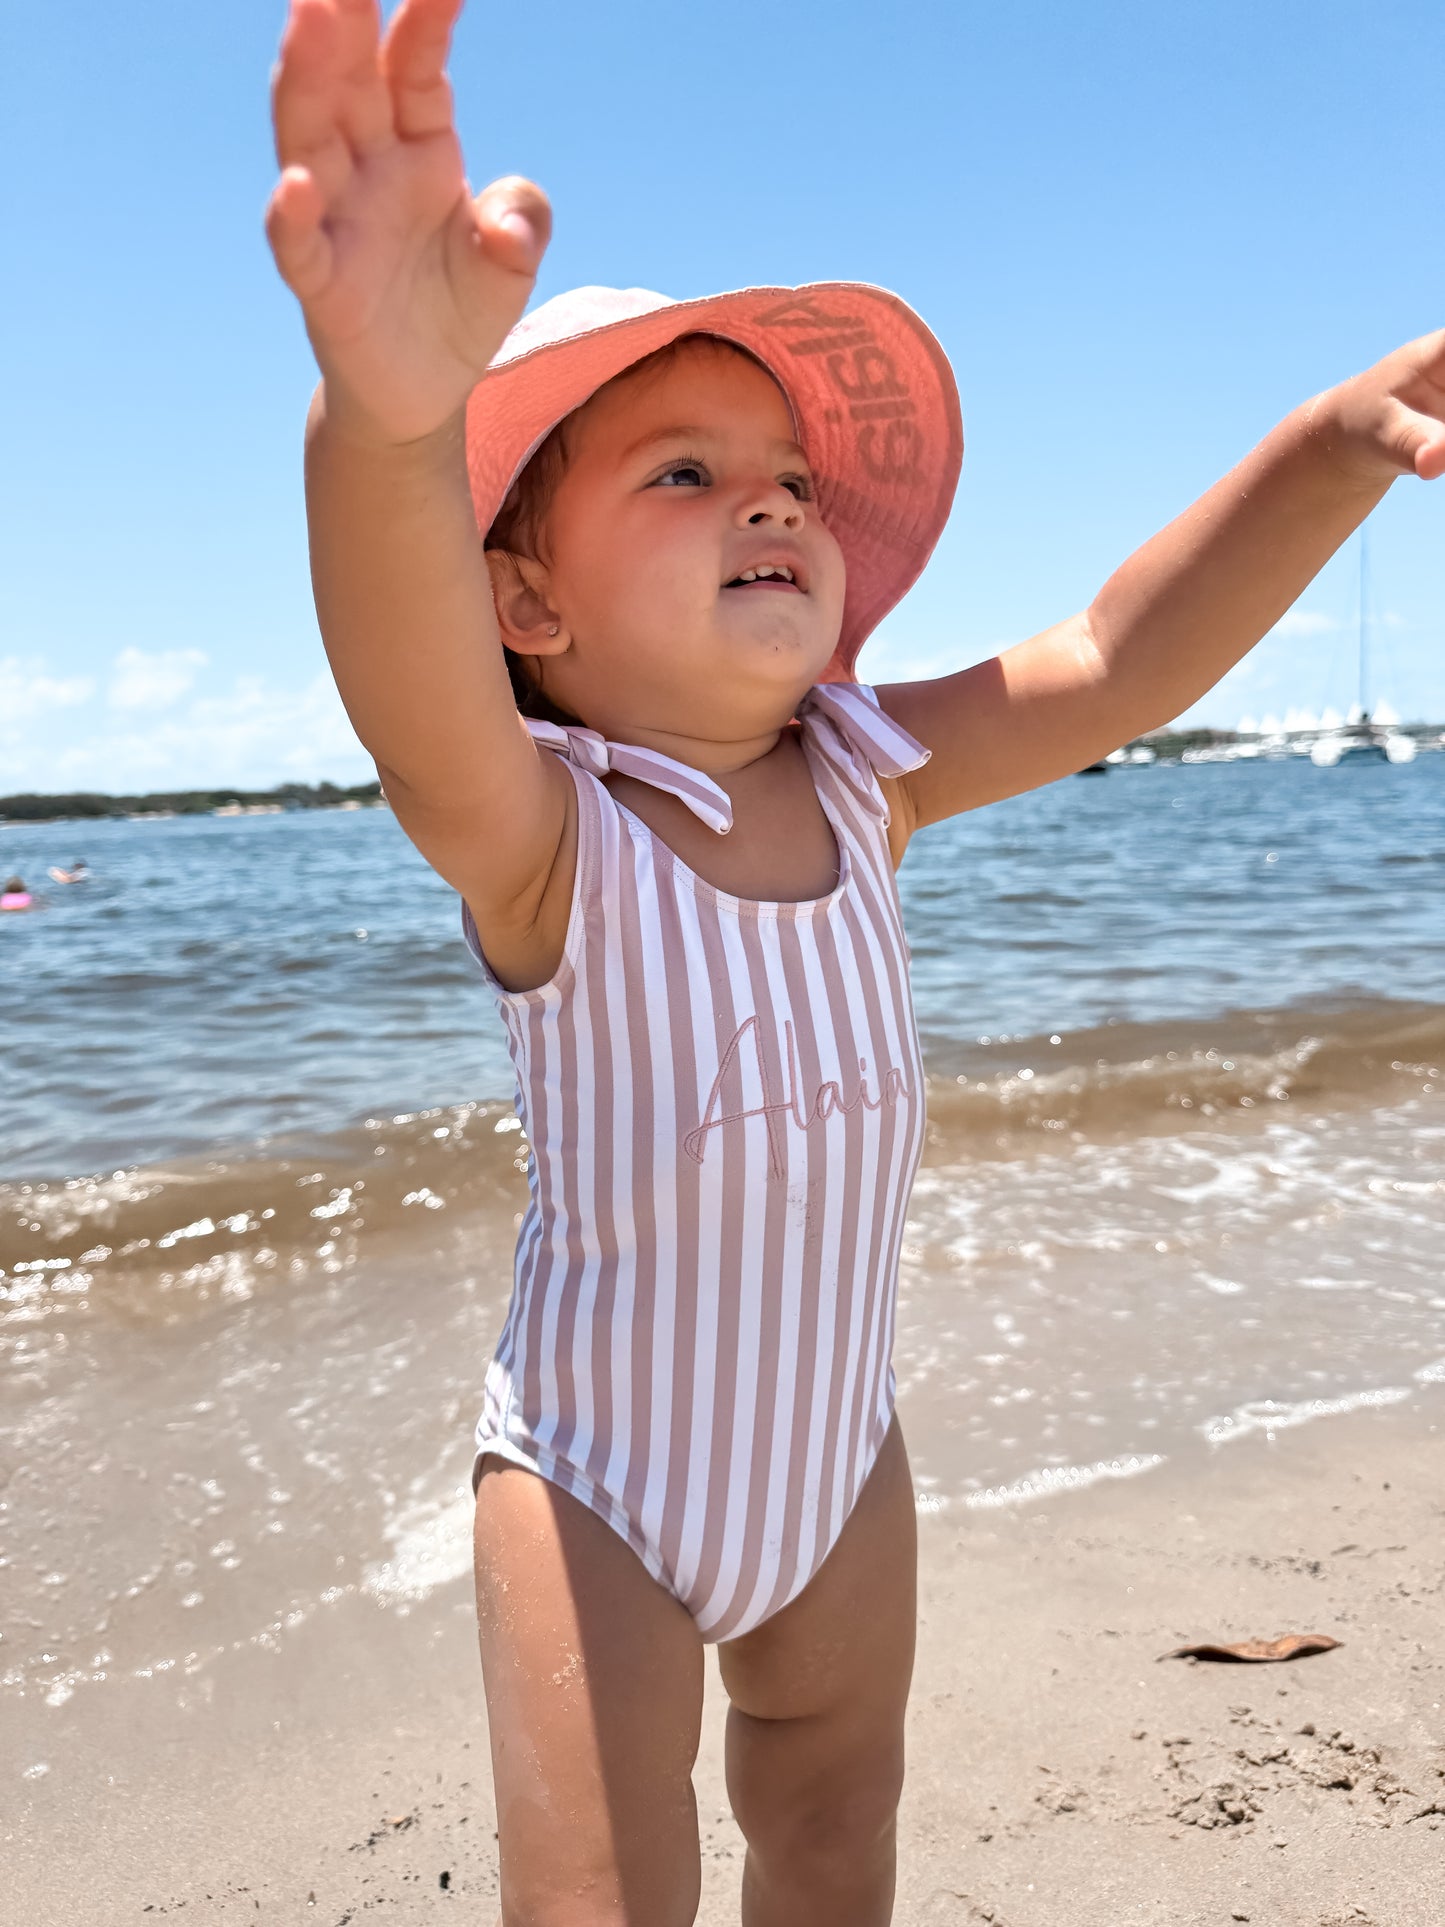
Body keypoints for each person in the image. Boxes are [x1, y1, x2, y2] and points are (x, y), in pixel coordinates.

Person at [265, 3, 1444, 1920]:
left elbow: (1108, 658)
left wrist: (1323, 449)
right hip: (596, 1490)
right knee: (603, 1898)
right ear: (528, 596)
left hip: (835, 1458)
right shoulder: (543, 829)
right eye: (681, 471)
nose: (772, 497)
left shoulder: (870, 771)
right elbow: (407, 689)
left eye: (792, 478)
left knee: (833, 1835)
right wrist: (387, 422)